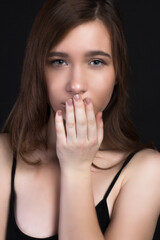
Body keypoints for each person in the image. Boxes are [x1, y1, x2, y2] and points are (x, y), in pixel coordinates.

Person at [0, 0, 160, 239]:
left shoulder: (146, 171)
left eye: (96, 62)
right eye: (59, 62)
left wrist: (76, 168)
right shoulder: (3, 154)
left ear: (117, 72)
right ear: (38, 71)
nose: (76, 85)